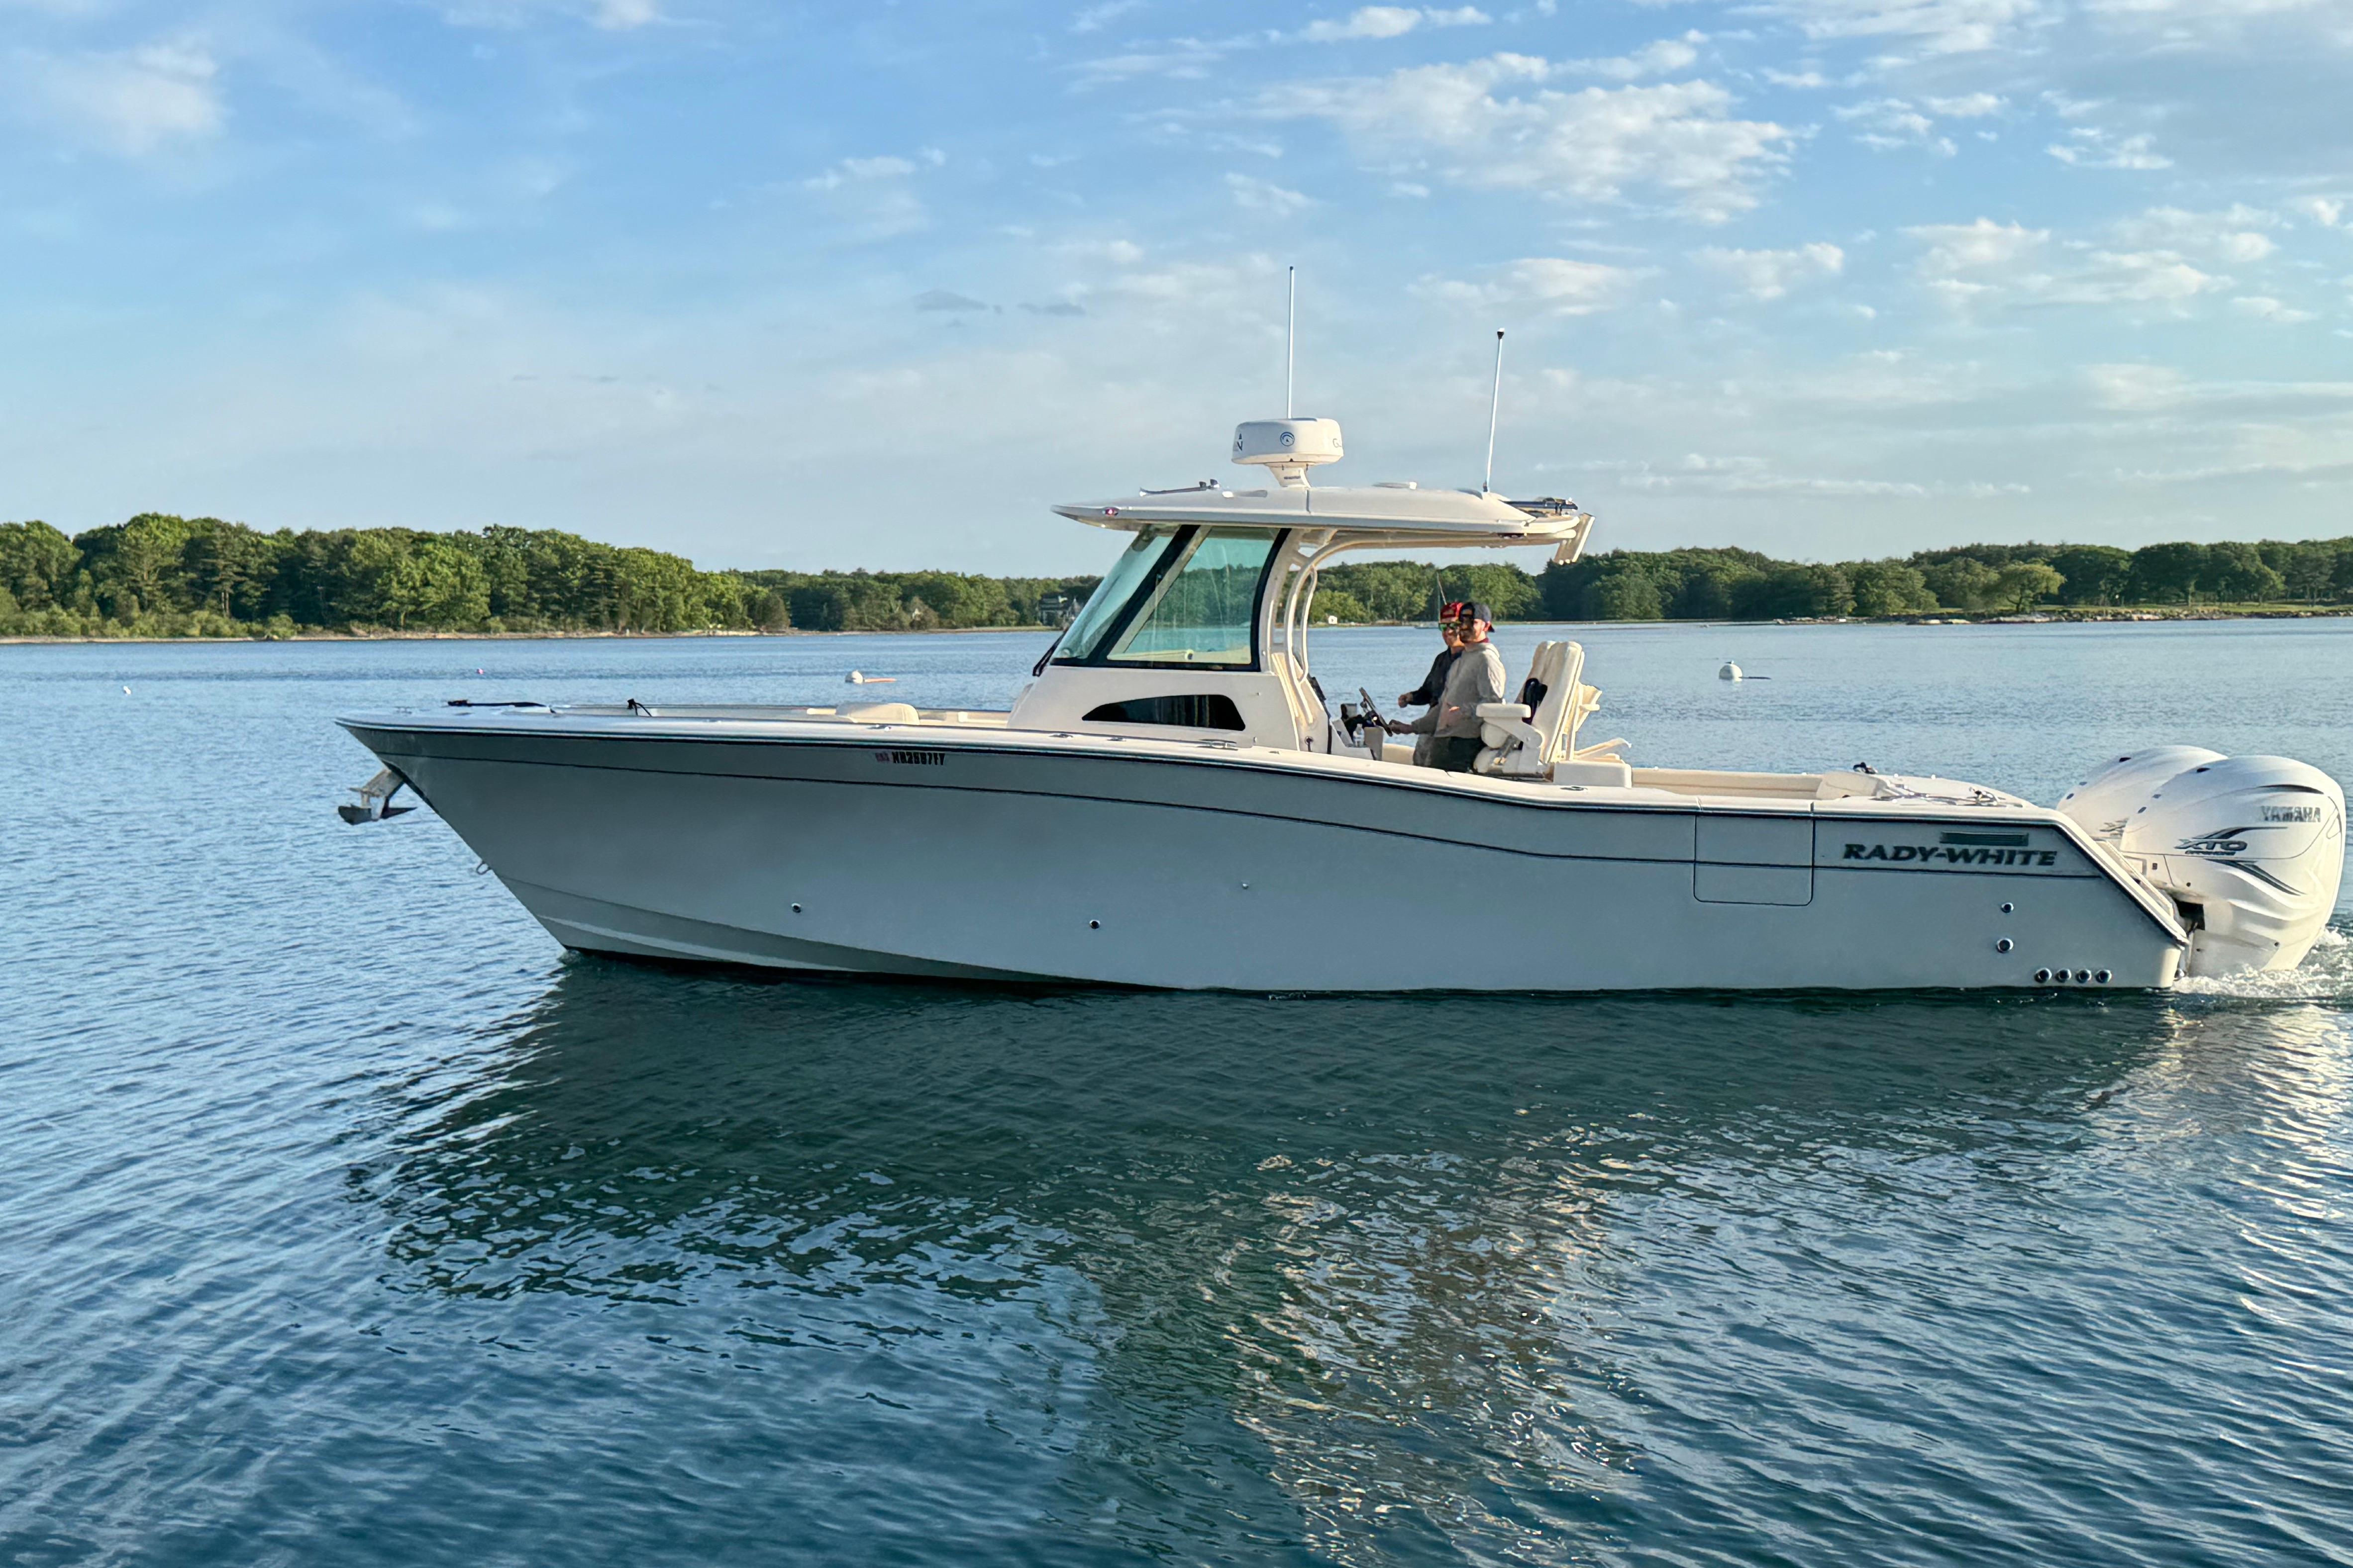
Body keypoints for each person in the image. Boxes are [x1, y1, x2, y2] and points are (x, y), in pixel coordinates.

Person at [1393, 602, 1506, 772]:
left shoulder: (1487, 660)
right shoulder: (1460, 661)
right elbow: (1443, 705)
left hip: (1462, 746)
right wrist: (1412, 728)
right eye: (1461, 622)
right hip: (1443, 743)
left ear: (1486, 626)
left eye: (1472, 622)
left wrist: (1463, 711)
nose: (1465, 627)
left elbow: (1494, 705)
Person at [1396, 603, 1463, 768]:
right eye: (1443, 627)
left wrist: (1412, 727)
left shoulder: (1471, 660)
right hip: (1430, 725)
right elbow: (1428, 692)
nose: (1448, 632)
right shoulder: (1441, 659)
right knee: (1420, 763)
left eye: (1454, 626)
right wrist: (1410, 698)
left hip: (1452, 731)